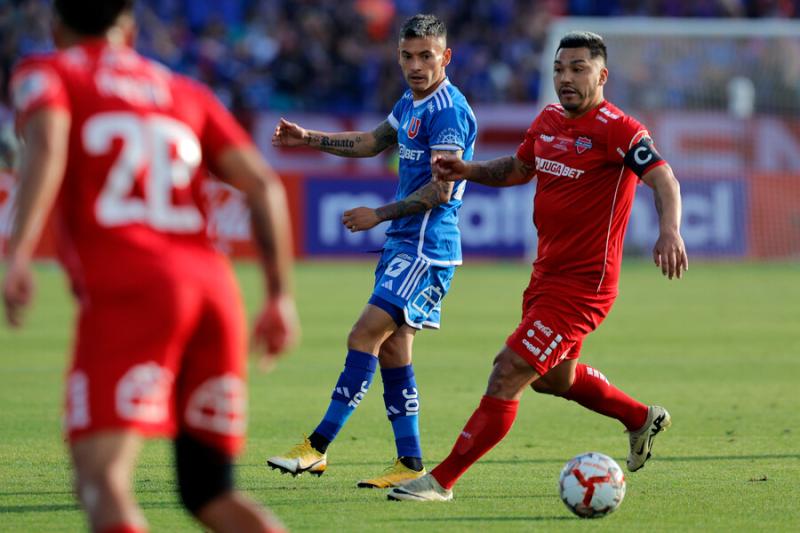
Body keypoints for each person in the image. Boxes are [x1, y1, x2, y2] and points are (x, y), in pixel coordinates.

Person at [2, 1, 299, 531]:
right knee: (211, 493)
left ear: (56, 26)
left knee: (102, 481)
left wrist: (18, 251)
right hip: (215, 292)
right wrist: (279, 296)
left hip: (134, 289)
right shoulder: (186, 91)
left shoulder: (47, 71)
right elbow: (263, 185)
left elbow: (48, 140)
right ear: (130, 30)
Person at [388, 30, 688, 502]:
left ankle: (439, 481)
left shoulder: (619, 129)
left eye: (578, 69)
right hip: (546, 275)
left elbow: (663, 177)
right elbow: (519, 168)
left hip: (585, 286)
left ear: (601, 74)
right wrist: (468, 169)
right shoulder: (548, 120)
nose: (565, 78)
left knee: (508, 371)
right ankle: (640, 417)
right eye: (559, 69)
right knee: (555, 379)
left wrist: (669, 230)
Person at [267, 13, 477, 489]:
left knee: (363, 336)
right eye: (407, 56)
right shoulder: (410, 100)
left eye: (427, 56)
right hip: (406, 243)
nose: (416, 65)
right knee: (393, 351)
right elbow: (370, 142)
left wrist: (378, 214)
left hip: (427, 247)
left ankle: (316, 448)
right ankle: (409, 462)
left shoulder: (449, 110)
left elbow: (441, 193)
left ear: (446, 57)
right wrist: (308, 139)